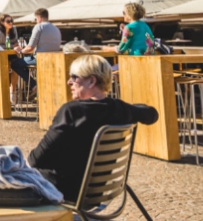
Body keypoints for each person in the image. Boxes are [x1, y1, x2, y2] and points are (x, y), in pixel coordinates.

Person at [28, 55, 158, 202]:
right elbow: (152, 114)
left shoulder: (72, 112)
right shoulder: (120, 109)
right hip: (99, 192)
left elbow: (35, 160)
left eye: (74, 77)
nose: (69, 82)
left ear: (91, 81)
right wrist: (131, 108)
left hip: (62, 191)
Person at [12, 8, 61, 91]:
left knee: (15, 64)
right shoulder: (56, 28)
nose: (35, 21)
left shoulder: (39, 26)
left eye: (35, 19)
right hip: (54, 59)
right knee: (24, 63)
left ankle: (34, 85)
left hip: (40, 59)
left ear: (40, 18)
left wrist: (20, 51)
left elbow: (30, 47)